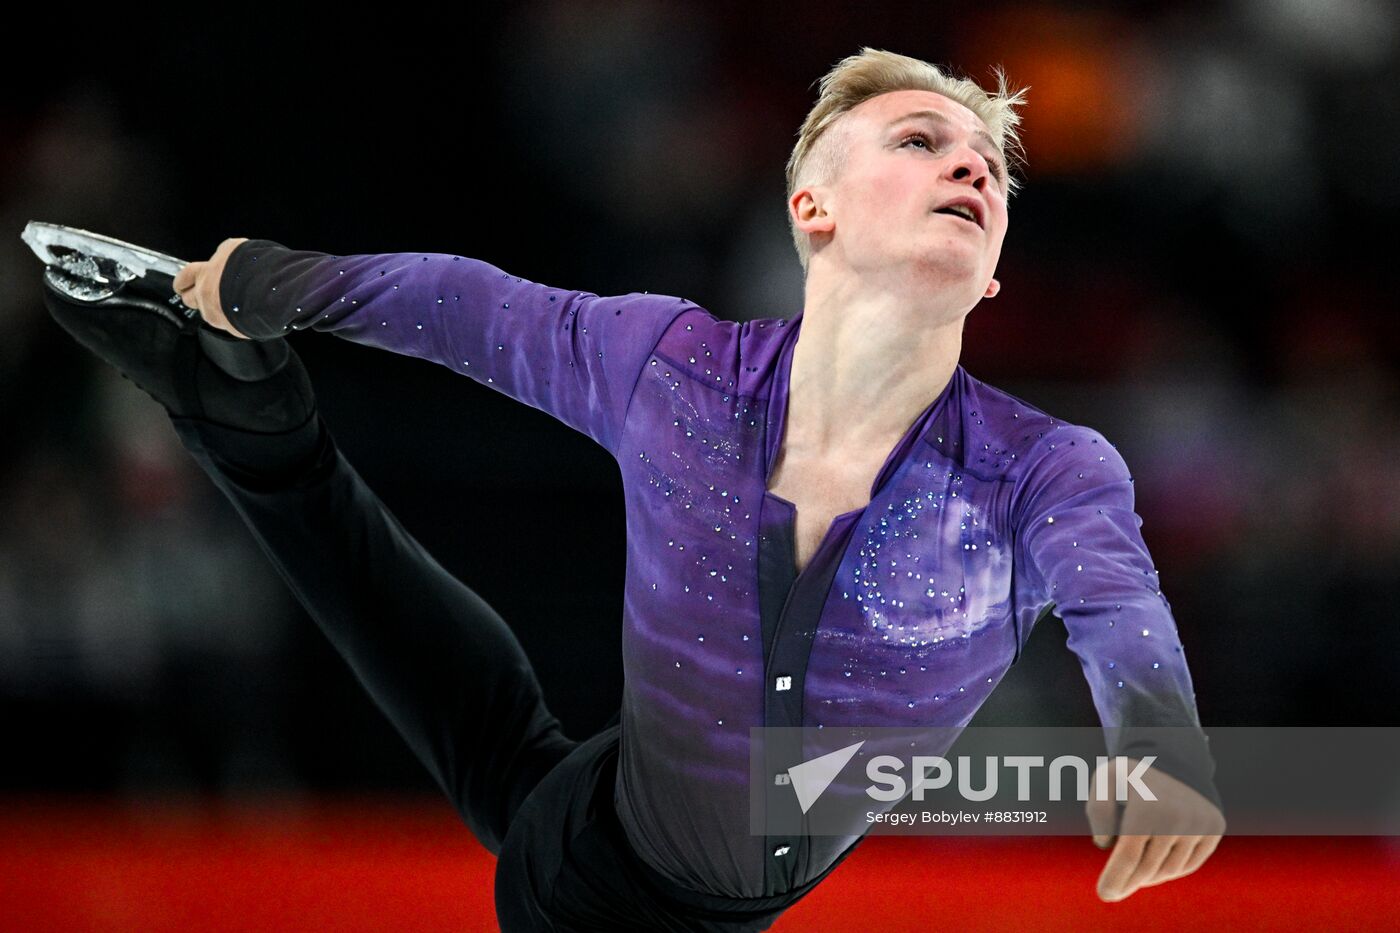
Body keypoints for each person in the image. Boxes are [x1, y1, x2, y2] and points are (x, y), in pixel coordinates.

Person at [45, 47, 1223, 931]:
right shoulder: (675, 372)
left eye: (988, 167)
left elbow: (1114, 603)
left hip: (638, 858)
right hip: (600, 878)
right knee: (515, 767)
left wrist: (1159, 742)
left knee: (511, 761)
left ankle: (252, 431)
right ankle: (254, 427)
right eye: (919, 140)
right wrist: (267, 280)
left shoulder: (1044, 469)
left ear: (997, 270)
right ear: (810, 208)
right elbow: (471, 307)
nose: (969, 160)